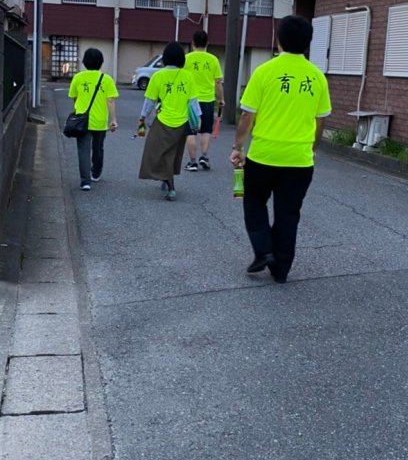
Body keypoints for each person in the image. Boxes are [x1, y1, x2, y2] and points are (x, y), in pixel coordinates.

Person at [230, 15, 331, 283]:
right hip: (299, 160)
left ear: (279, 40)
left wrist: (238, 146)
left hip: (263, 156)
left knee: (254, 202)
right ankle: (281, 269)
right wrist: (312, 148)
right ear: (308, 43)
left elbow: (247, 115)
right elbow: (320, 120)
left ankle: (264, 250)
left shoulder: (264, 72)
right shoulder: (317, 77)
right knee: (288, 213)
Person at [138, 41, 201, 201]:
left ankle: (170, 186)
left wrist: (143, 117)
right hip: (182, 123)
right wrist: (197, 120)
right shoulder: (188, 76)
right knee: (172, 154)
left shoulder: (157, 76)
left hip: (163, 121)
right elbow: (193, 102)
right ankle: (166, 179)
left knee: (157, 152)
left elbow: (149, 101)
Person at [68, 47, 118, 191]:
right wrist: (113, 120)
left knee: (83, 150)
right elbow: (110, 101)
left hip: (82, 121)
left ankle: (85, 181)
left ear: (84, 62)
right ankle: (96, 173)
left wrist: (78, 109)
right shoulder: (107, 79)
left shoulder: (78, 77)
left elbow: (74, 97)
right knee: (98, 147)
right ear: (101, 63)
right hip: (100, 121)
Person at [183, 29, 224, 171]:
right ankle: (204, 157)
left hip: (190, 100)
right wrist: (221, 99)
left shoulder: (186, 59)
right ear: (207, 43)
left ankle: (192, 162)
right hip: (207, 100)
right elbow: (218, 82)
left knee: (190, 132)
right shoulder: (213, 60)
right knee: (206, 130)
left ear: (192, 43)